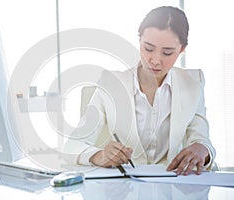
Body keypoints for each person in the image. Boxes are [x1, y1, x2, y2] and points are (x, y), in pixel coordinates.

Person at [63, 6, 216, 175]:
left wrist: (204, 150)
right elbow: (72, 146)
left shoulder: (194, 83)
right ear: (139, 41)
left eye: (167, 52)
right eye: (148, 49)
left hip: (173, 183)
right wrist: (98, 155)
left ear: (181, 50)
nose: (155, 60)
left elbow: (201, 139)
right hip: (124, 186)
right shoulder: (110, 84)